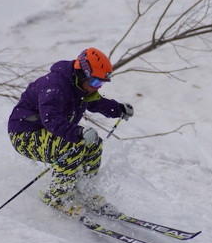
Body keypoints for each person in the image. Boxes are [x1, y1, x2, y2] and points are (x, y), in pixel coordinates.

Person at [7, 47, 133, 217]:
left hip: (49, 133)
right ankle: (58, 197)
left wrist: (118, 109)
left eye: (101, 84)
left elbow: (96, 103)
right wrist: (78, 131)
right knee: (72, 144)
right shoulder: (54, 85)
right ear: (82, 73)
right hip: (25, 135)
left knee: (94, 143)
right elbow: (51, 119)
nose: (97, 87)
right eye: (95, 82)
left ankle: (85, 191)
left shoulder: (81, 87)